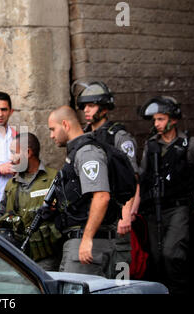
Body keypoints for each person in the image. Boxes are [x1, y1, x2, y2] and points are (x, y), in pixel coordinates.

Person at [72, 80, 139, 274]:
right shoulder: (83, 137)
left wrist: (126, 215)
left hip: (116, 213)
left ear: (104, 108)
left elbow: (132, 179)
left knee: (121, 271)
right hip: (93, 215)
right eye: (84, 106)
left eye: (91, 106)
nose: (86, 110)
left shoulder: (119, 137)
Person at [47, 105, 118, 278]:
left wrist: (87, 239)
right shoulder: (77, 152)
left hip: (87, 242)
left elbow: (101, 196)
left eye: (53, 129)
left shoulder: (87, 152)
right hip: (79, 240)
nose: (51, 135)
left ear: (65, 124)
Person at [137, 96, 194, 294]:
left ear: (173, 119)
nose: (156, 124)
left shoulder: (188, 144)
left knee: (172, 254)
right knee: (156, 257)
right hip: (154, 209)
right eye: (155, 120)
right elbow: (142, 177)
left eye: (161, 119)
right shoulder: (151, 145)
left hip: (178, 207)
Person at [0, 133, 62, 270]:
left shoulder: (54, 179)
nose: (10, 158)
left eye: (13, 153)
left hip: (47, 256)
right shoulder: (12, 184)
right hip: (18, 255)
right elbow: (0, 214)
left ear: (28, 152)